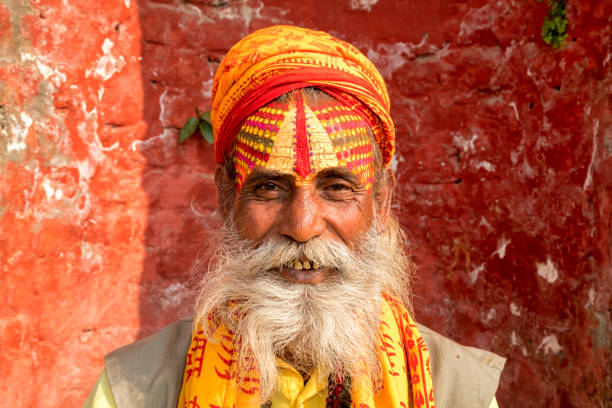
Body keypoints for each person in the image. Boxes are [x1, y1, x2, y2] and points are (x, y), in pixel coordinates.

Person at [84, 25, 505, 408]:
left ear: (381, 202)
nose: (302, 227)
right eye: (269, 187)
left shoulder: (459, 391)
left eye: (336, 188)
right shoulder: (133, 392)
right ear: (227, 199)